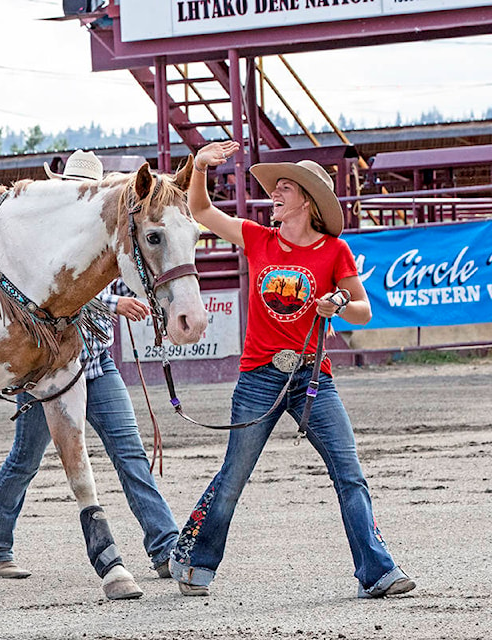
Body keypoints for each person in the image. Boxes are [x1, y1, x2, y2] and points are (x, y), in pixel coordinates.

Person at [171, 140, 416, 599]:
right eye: (275, 189)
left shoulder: (334, 251)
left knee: (349, 471)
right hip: (260, 375)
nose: (274, 196)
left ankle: (377, 572)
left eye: (284, 189)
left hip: (312, 377)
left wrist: (339, 301)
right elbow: (201, 211)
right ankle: (194, 558)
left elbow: (363, 310)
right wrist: (200, 166)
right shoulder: (257, 238)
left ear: (306, 199)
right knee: (235, 472)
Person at [0, 150, 182, 580]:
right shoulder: (44, 236)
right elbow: (49, 290)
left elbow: (106, 272)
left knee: (129, 454)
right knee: (25, 458)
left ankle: (165, 546)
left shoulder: (99, 230)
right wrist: (113, 301)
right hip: (45, 372)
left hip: (93, 364)